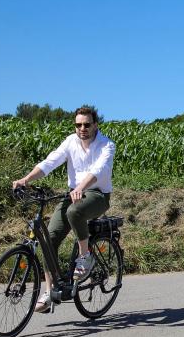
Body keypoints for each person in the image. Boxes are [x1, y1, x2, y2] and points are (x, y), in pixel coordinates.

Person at [12, 107, 115, 313]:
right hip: (73, 194)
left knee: (74, 212)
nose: (82, 128)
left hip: (97, 195)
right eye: (78, 125)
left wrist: (80, 187)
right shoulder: (70, 142)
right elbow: (50, 162)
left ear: (95, 124)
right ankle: (51, 291)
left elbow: (99, 170)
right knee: (47, 241)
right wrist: (26, 179)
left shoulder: (106, 145)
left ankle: (85, 256)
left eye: (87, 124)